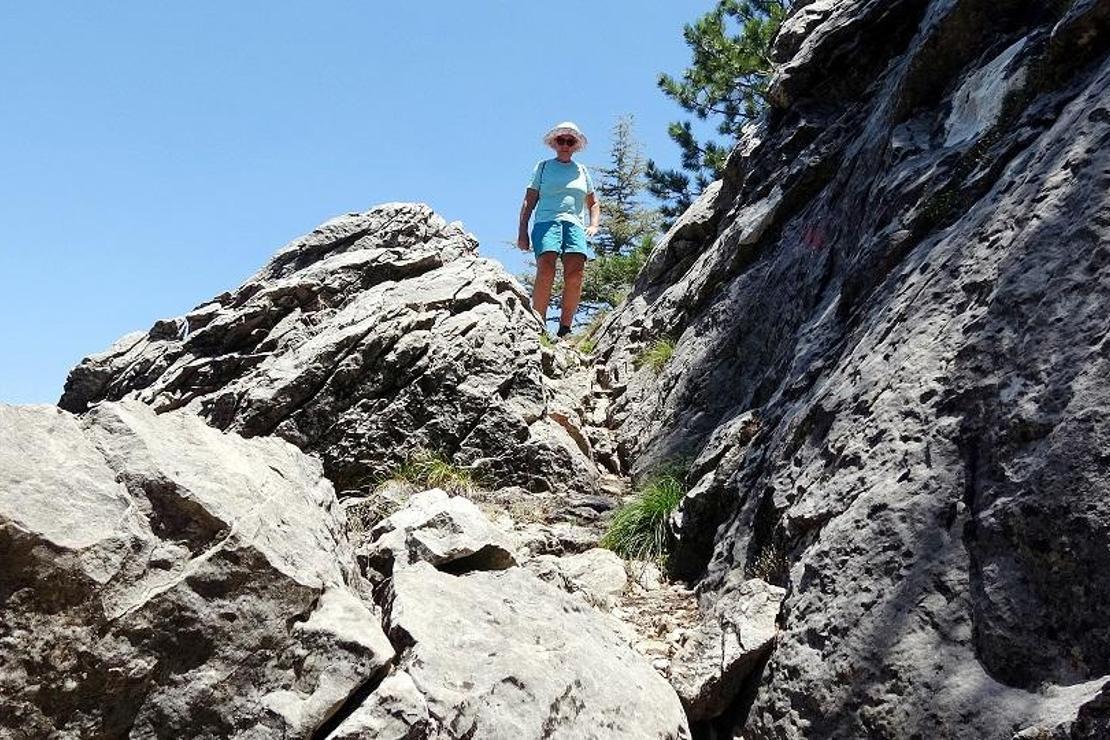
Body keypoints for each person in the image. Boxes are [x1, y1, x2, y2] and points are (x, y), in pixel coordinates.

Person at [517, 121, 600, 338]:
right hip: (546, 222)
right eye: (561, 140)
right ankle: (538, 322)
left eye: (569, 141)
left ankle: (565, 328)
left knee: (575, 275)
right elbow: (529, 200)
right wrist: (522, 232)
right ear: (554, 143)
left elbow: (593, 202)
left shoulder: (581, 171)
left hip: (574, 225)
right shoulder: (543, 167)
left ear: (575, 145)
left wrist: (593, 224)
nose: (565, 144)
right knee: (546, 268)